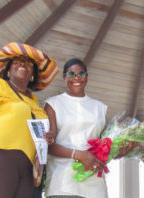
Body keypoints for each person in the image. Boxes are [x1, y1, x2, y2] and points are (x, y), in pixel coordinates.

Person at [0, 42, 59, 198]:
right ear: (8, 69)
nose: (22, 63)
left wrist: (43, 148)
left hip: (27, 171)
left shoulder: (35, 103)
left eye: (28, 63)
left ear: (33, 74)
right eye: (17, 60)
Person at [44, 58, 108, 198]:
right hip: (62, 183)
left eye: (81, 73)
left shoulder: (100, 108)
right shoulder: (53, 104)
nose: (77, 77)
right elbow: (48, 145)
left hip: (94, 184)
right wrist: (78, 154)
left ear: (87, 77)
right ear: (64, 77)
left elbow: (105, 145)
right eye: (71, 74)